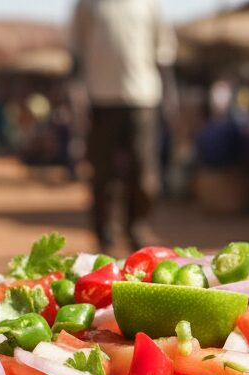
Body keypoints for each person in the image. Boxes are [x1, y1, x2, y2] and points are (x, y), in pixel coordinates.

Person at [69, 0, 177, 252]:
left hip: (143, 98)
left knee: (144, 174)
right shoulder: (89, 5)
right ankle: (104, 236)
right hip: (100, 100)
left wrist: (171, 96)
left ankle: (136, 226)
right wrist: (75, 93)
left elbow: (163, 52)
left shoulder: (149, 5)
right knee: (101, 174)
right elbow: (76, 51)